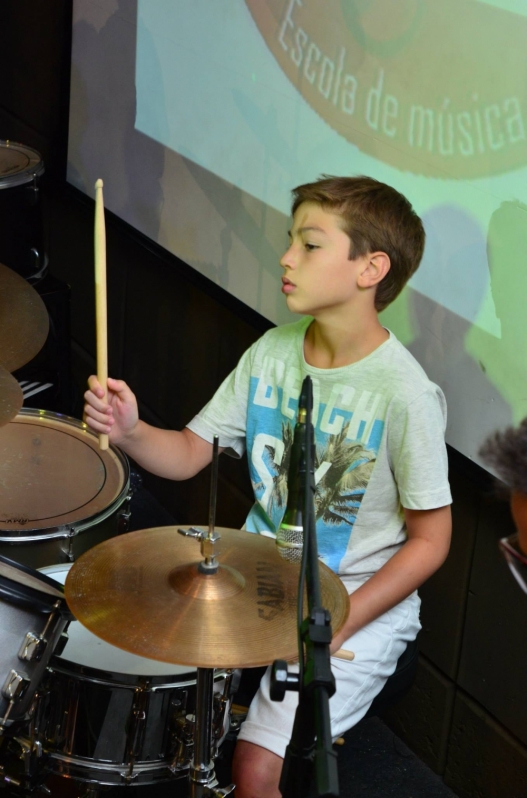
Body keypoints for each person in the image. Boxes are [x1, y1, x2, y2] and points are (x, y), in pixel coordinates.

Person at [84, 175, 452, 798]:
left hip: (353, 595)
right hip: (258, 573)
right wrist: (130, 428)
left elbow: (432, 540)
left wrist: (340, 619)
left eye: (310, 245)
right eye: (290, 241)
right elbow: (187, 454)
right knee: (133, 686)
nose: (285, 257)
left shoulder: (406, 394)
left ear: (371, 269)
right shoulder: (272, 354)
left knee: (254, 773)